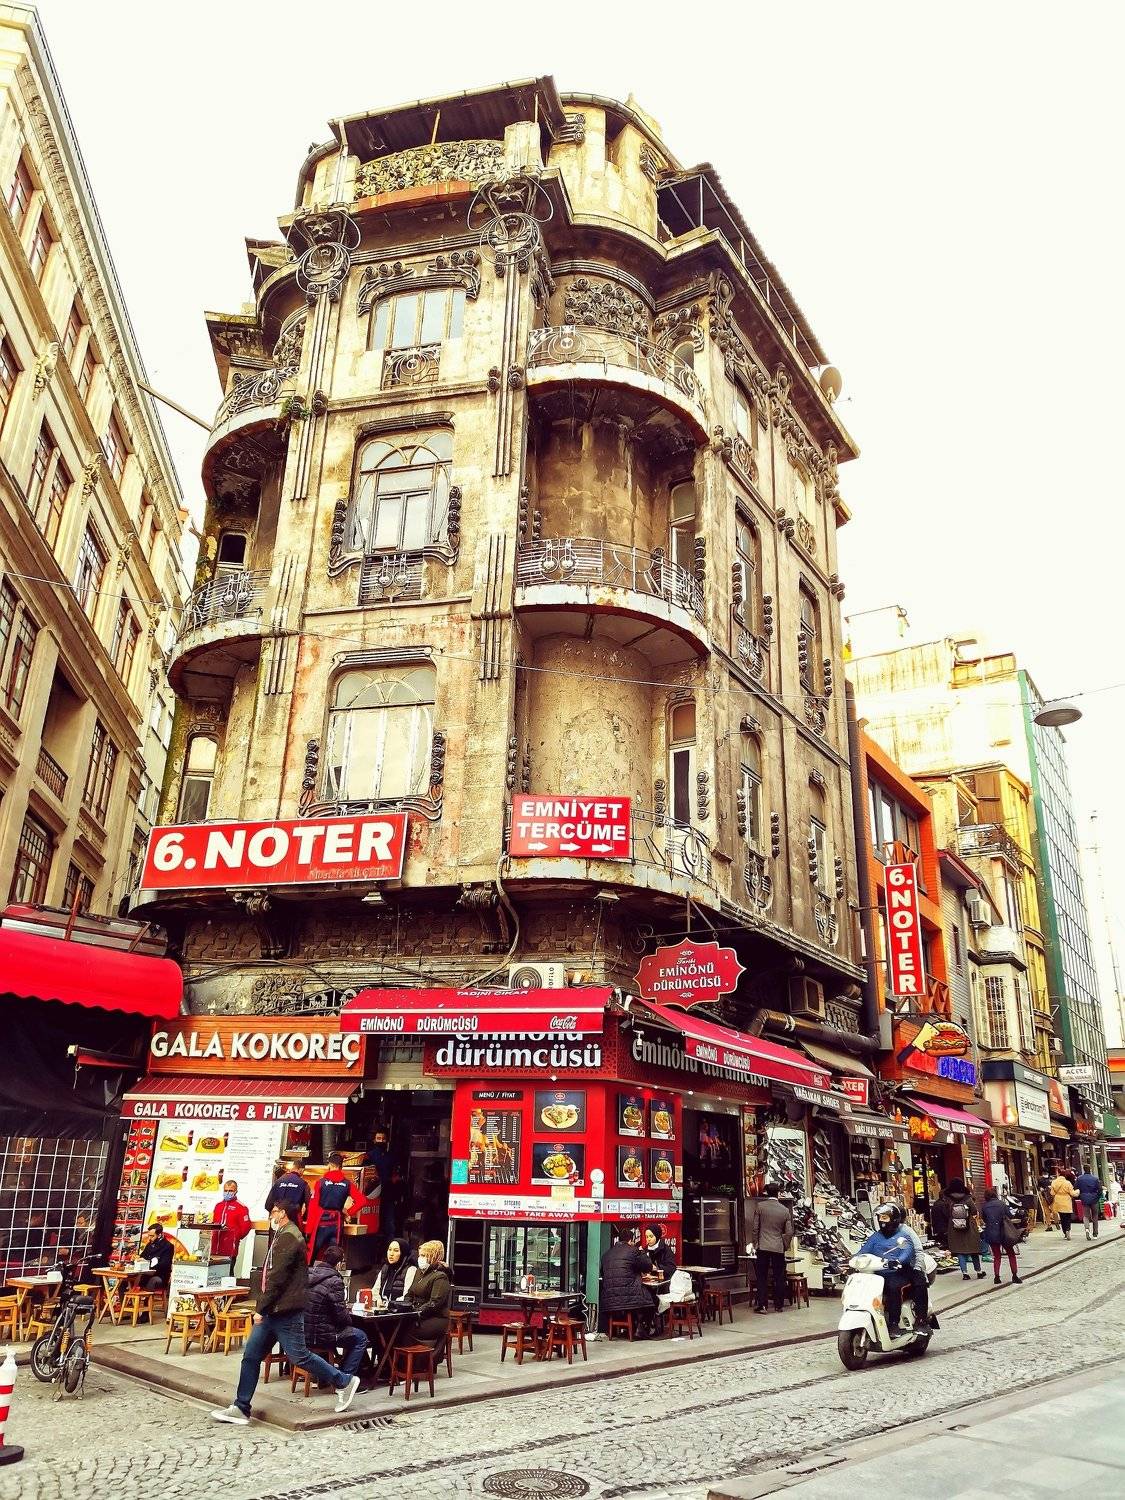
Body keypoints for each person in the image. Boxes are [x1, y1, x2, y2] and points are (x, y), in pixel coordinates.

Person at [211, 1198, 360, 1425]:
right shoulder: (284, 1234)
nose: (271, 1215)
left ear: (283, 1213)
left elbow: (277, 1277)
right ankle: (241, 1407)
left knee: (300, 1356)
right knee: (251, 1356)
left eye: (274, 1211)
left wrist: (261, 1308)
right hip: (275, 1309)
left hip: (285, 1310)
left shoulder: (289, 1236)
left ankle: (344, 1381)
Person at [304, 1243, 369, 1383]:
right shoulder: (335, 1281)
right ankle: (344, 1380)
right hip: (322, 1335)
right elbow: (341, 1316)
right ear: (339, 1264)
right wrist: (350, 1321)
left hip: (305, 1332)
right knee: (361, 1337)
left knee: (351, 1333)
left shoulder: (309, 1275)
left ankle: (329, 1375)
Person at [854, 1203, 920, 1336]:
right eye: (880, 1217)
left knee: (893, 1287)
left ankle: (894, 1323)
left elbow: (906, 1252)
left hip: (897, 1273)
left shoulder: (903, 1236)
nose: (881, 1221)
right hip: (878, 1274)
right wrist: (853, 1260)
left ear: (894, 1219)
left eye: (885, 1218)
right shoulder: (875, 1237)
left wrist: (898, 1261)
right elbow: (864, 1251)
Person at [306, 1153, 367, 1263]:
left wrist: (308, 1230)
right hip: (336, 1223)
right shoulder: (347, 1184)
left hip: (321, 1222)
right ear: (341, 1166)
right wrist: (348, 1212)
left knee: (313, 1253)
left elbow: (313, 1207)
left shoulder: (320, 1182)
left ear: (329, 1165)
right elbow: (362, 1200)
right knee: (334, 1255)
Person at [600, 1225, 656, 1336]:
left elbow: (603, 1273)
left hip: (609, 1298)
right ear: (630, 1240)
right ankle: (641, 1328)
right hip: (629, 1296)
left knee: (639, 1299)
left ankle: (625, 1328)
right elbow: (648, 1266)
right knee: (652, 1300)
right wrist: (642, 1252)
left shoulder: (606, 1254)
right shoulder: (633, 1251)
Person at [748, 1182, 793, 1315]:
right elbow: (789, 1232)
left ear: (767, 1192)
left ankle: (763, 1305)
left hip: (763, 1246)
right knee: (779, 1276)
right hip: (778, 1247)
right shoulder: (785, 1210)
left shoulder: (760, 1207)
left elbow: (755, 1228)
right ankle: (779, 1305)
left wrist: (755, 1244)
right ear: (778, 1193)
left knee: (762, 1276)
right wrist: (784, 1245)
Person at [405, 1238, 451, 1348]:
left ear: (433, 1257)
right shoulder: (419, 1272)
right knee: (390, 1327)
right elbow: (410, 1293)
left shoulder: (440, 1276)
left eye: (424, 1255)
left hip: (434, 1319)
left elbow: (435, 1303)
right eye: (420, 1255)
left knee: (403, 1329)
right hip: (417, 1314)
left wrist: (416, 1313)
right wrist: (404, 1307)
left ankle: (408, 1358)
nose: (420, 1258)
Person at [944, 1179, 985, 1280]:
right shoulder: (968, 1198)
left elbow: (946, 1213)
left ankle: (965, 1274)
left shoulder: (948, 1199)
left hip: (954, 1227)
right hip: (969, 1227)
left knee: (960, 1251)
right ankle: (979, 1271)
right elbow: (974, 1211)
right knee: (973, 1250)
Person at [981, 1187, 1023, 1284]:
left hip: (991, 1233)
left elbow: (984, 1219)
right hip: (1004, 1232)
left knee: (997, 1256)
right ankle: (1015, 1275)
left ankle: (997, 1277)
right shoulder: (1002, 1204)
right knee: (1011, 1254)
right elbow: (1009, 1215)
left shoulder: (984, 1206)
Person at [212, 1179, 253, 1267]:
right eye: (225, 1190)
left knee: (229, 1272)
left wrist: (235, 1237)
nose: (227, 1193)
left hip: (230, 1248)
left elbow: (246, 1227)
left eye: (230, 1191)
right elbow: (214, 1223)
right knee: (214, 1272)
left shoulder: (241, 1207)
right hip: (215, 1247)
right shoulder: (218, 1206)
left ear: (236, 1191)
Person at [265, 1161, 310, 1229]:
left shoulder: (278, 1181)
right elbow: (309, 1204)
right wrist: (305, 1218)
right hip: (293, 1219)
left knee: (276, 1235)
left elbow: (268, 1204)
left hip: (277, 1220)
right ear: (301, 1169)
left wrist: (275, 1213)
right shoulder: (303, 1184)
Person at [371, 1237, 417, 1304]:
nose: (391, 1254)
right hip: (383, 1307)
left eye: (396, 1250)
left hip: (399, 1308)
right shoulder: (385, 1268)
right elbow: (375, 1291)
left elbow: (408, 1296)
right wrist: (378, 1300)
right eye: (389, 1250)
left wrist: (391, 1304)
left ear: (403, 1253)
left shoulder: (410, 1270)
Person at [139, 1223, 173, 1292]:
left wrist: (147, 1262)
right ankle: (127, 1299)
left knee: (153, 1281)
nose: (149, 1238)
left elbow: (164, 1264)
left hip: (160, 1276)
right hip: (146, 1274)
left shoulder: (168, 1246)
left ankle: (147, 1299)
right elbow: (142, 1256)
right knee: (124, 1281)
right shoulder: (149, 1244)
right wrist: (138, 1259)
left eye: (152, 1236)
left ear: (159, 1235)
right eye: (149, 1235)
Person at [1049, 1170, 1079, 1241]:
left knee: (1062, 1218)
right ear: (1065, 1176)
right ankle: (1068, 1229)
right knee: (1068, 1218)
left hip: (1058, 1201)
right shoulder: (1067, 1183)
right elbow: (1072, 1193)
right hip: (1066, 1201)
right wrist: (1078, 1191)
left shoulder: (1054, 1182)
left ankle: (1065, 1232)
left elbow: (1052, 1193)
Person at [1074, 1167, 1103, 1240]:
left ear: (1084, 1169)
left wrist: (1080, 1196)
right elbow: (1100, 1189)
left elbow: (1075, 1188)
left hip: (1084, 1198)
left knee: (1086, 1215)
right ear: (1090, 1170)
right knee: (1095, 1216)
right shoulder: (1095, 1178)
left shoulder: (1079, 1178)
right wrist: (1097, 1197)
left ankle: (1087, 1228)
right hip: (1094, 1199)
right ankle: (1095, 1234)